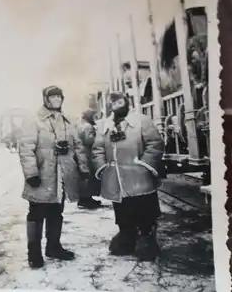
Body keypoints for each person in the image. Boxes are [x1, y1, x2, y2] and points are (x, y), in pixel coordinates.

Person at [18, 85, 90, 269]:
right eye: (52, 97)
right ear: (45, 99)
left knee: (56, 212)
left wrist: (83, 168)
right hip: (42, 175)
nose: (56, 100)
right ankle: (34, 253)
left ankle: (53, 247)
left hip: (62, 176)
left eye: (59, 97)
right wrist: (31, 173)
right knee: (36, 213)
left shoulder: (67, 121)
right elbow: (26, 148)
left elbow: (78, 146)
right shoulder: (34, 120)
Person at [92, 91, 164, 262]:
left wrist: (144, 164)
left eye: (120, 101)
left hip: (140, 176)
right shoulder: (104, 125)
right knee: (123, 210)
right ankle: (126, 236)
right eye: (113, 103)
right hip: (116, 177)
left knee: (145, 209)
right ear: (110, 106)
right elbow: (98, 148)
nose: (117, 105)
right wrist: (103, 167)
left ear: (127, 102)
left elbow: (155, 143)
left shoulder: (142, 120)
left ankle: (147, 240)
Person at [76, 109, 102, 209]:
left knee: (83, 177)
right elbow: (89, 140)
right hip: (87, 154)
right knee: (89, 177)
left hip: (80, 154)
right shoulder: (88, 126)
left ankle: (85, 198)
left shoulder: (79, 125)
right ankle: (86, 199)